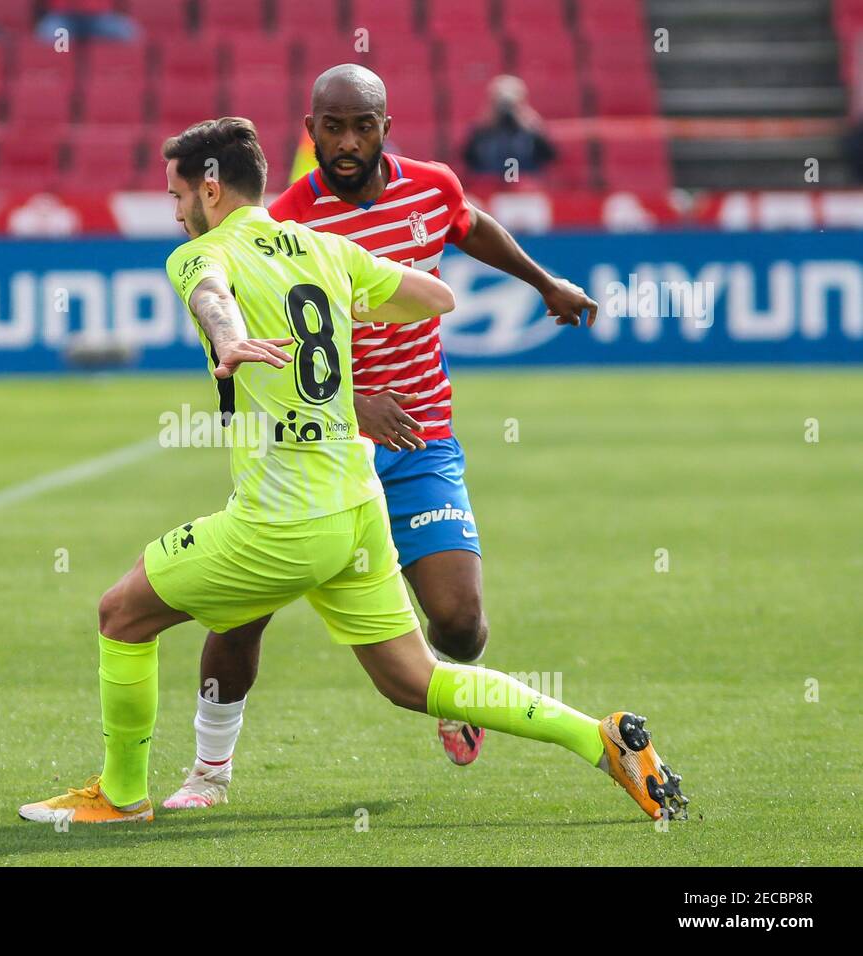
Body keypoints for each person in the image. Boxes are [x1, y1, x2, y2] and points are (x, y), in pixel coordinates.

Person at [17, 116, 687, 825]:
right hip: (356, 503)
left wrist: (232, 338)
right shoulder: (326, 248)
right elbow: (438, 298)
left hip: (284, 519)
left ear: (210, 188)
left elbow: (210, 292)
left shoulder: (200, 253)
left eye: (178, 194)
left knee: (120, 614)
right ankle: (601, 739)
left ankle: (121, 796)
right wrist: (351, 299)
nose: (175, 209)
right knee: (415, 678)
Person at [164, 64, 599, 810]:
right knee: (240, 616)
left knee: (459, 625)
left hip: (422, 437)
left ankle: (455, 691)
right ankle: (208, 772)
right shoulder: (289, 219)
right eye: (331, 126)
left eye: (361, 125)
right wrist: (349, 399)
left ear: (384, 128)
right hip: (317, 443)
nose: (346, 141)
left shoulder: (430, 186)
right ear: (310, 132)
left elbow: (468, 226)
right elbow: (245, 311)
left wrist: (543, 282)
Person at [464, 75, 557, 179]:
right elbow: (468, 159)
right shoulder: (481, 131)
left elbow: (551, 157)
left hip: (527, 186)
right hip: (488, 186)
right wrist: (483, 126)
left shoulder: (532, 130)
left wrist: (534, 128)